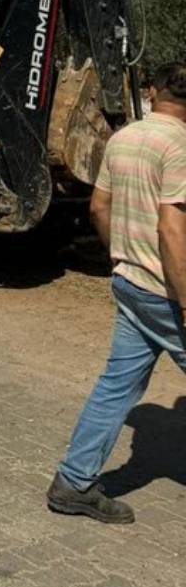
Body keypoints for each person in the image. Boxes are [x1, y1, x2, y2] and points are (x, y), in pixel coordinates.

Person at [48, 62, 186, 524]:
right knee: (116, 385)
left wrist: (121, 257)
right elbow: (172, 229)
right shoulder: (180, 145)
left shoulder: (124, 138)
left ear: (153, 93)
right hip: (168, 294)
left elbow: (99, 207)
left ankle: (73, 482)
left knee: (116, 387)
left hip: (131, 285)